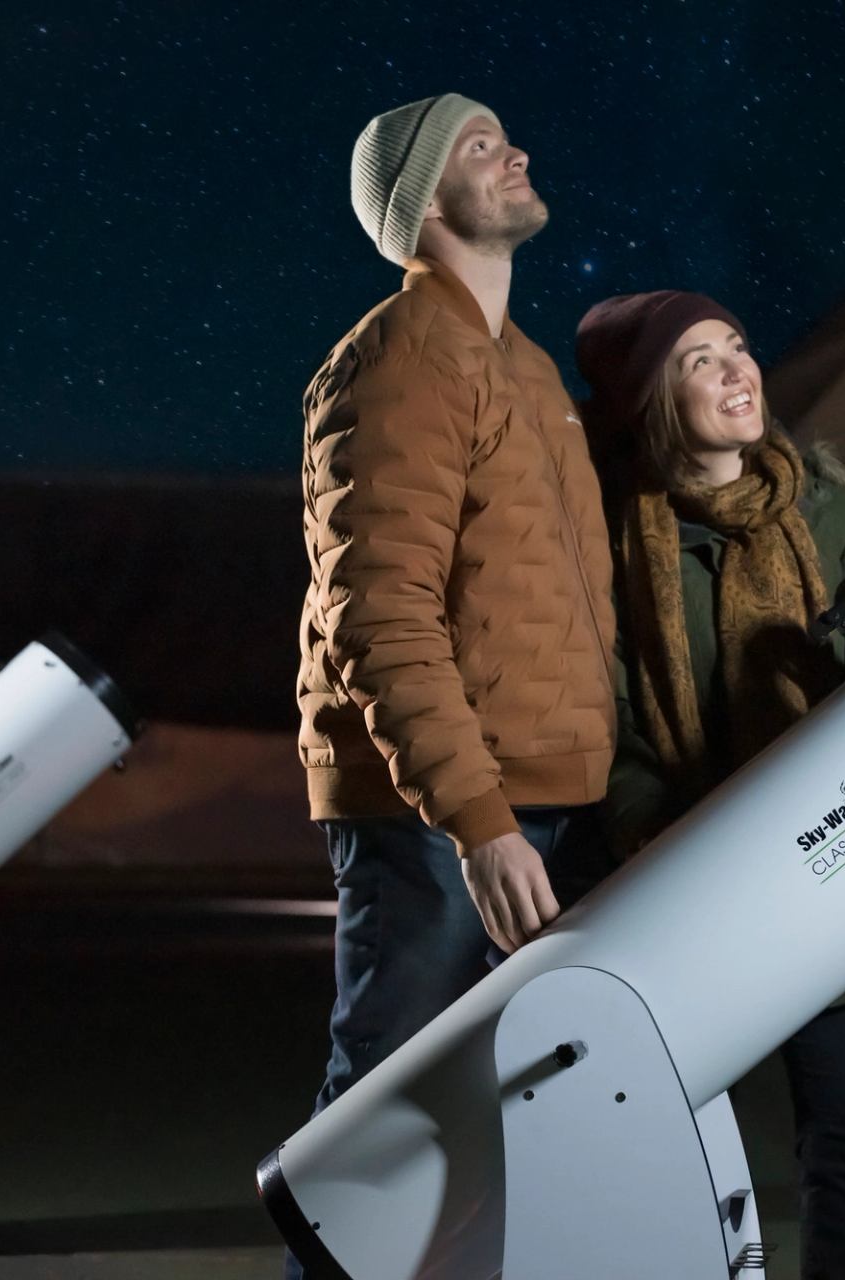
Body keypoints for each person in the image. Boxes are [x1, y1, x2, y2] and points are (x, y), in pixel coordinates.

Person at [290, 94, 616, 1275]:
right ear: (424, 202)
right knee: (389, 1125)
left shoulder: (525, 371)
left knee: (501, 1138)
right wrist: (477, 819)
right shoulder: (399, 359)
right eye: (481, 145)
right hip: (439, 820)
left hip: (541, 807)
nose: (517, 149)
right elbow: (379, 612)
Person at [576, 290, 845, 1280]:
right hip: (693, 879)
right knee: (658, 1153)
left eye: (738, 345)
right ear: (650, 399)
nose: (736, 369)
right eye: (699, 359)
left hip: (837, 864)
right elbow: (613, 722)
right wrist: (665, 845)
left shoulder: (824, 503)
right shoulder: (610, 537)